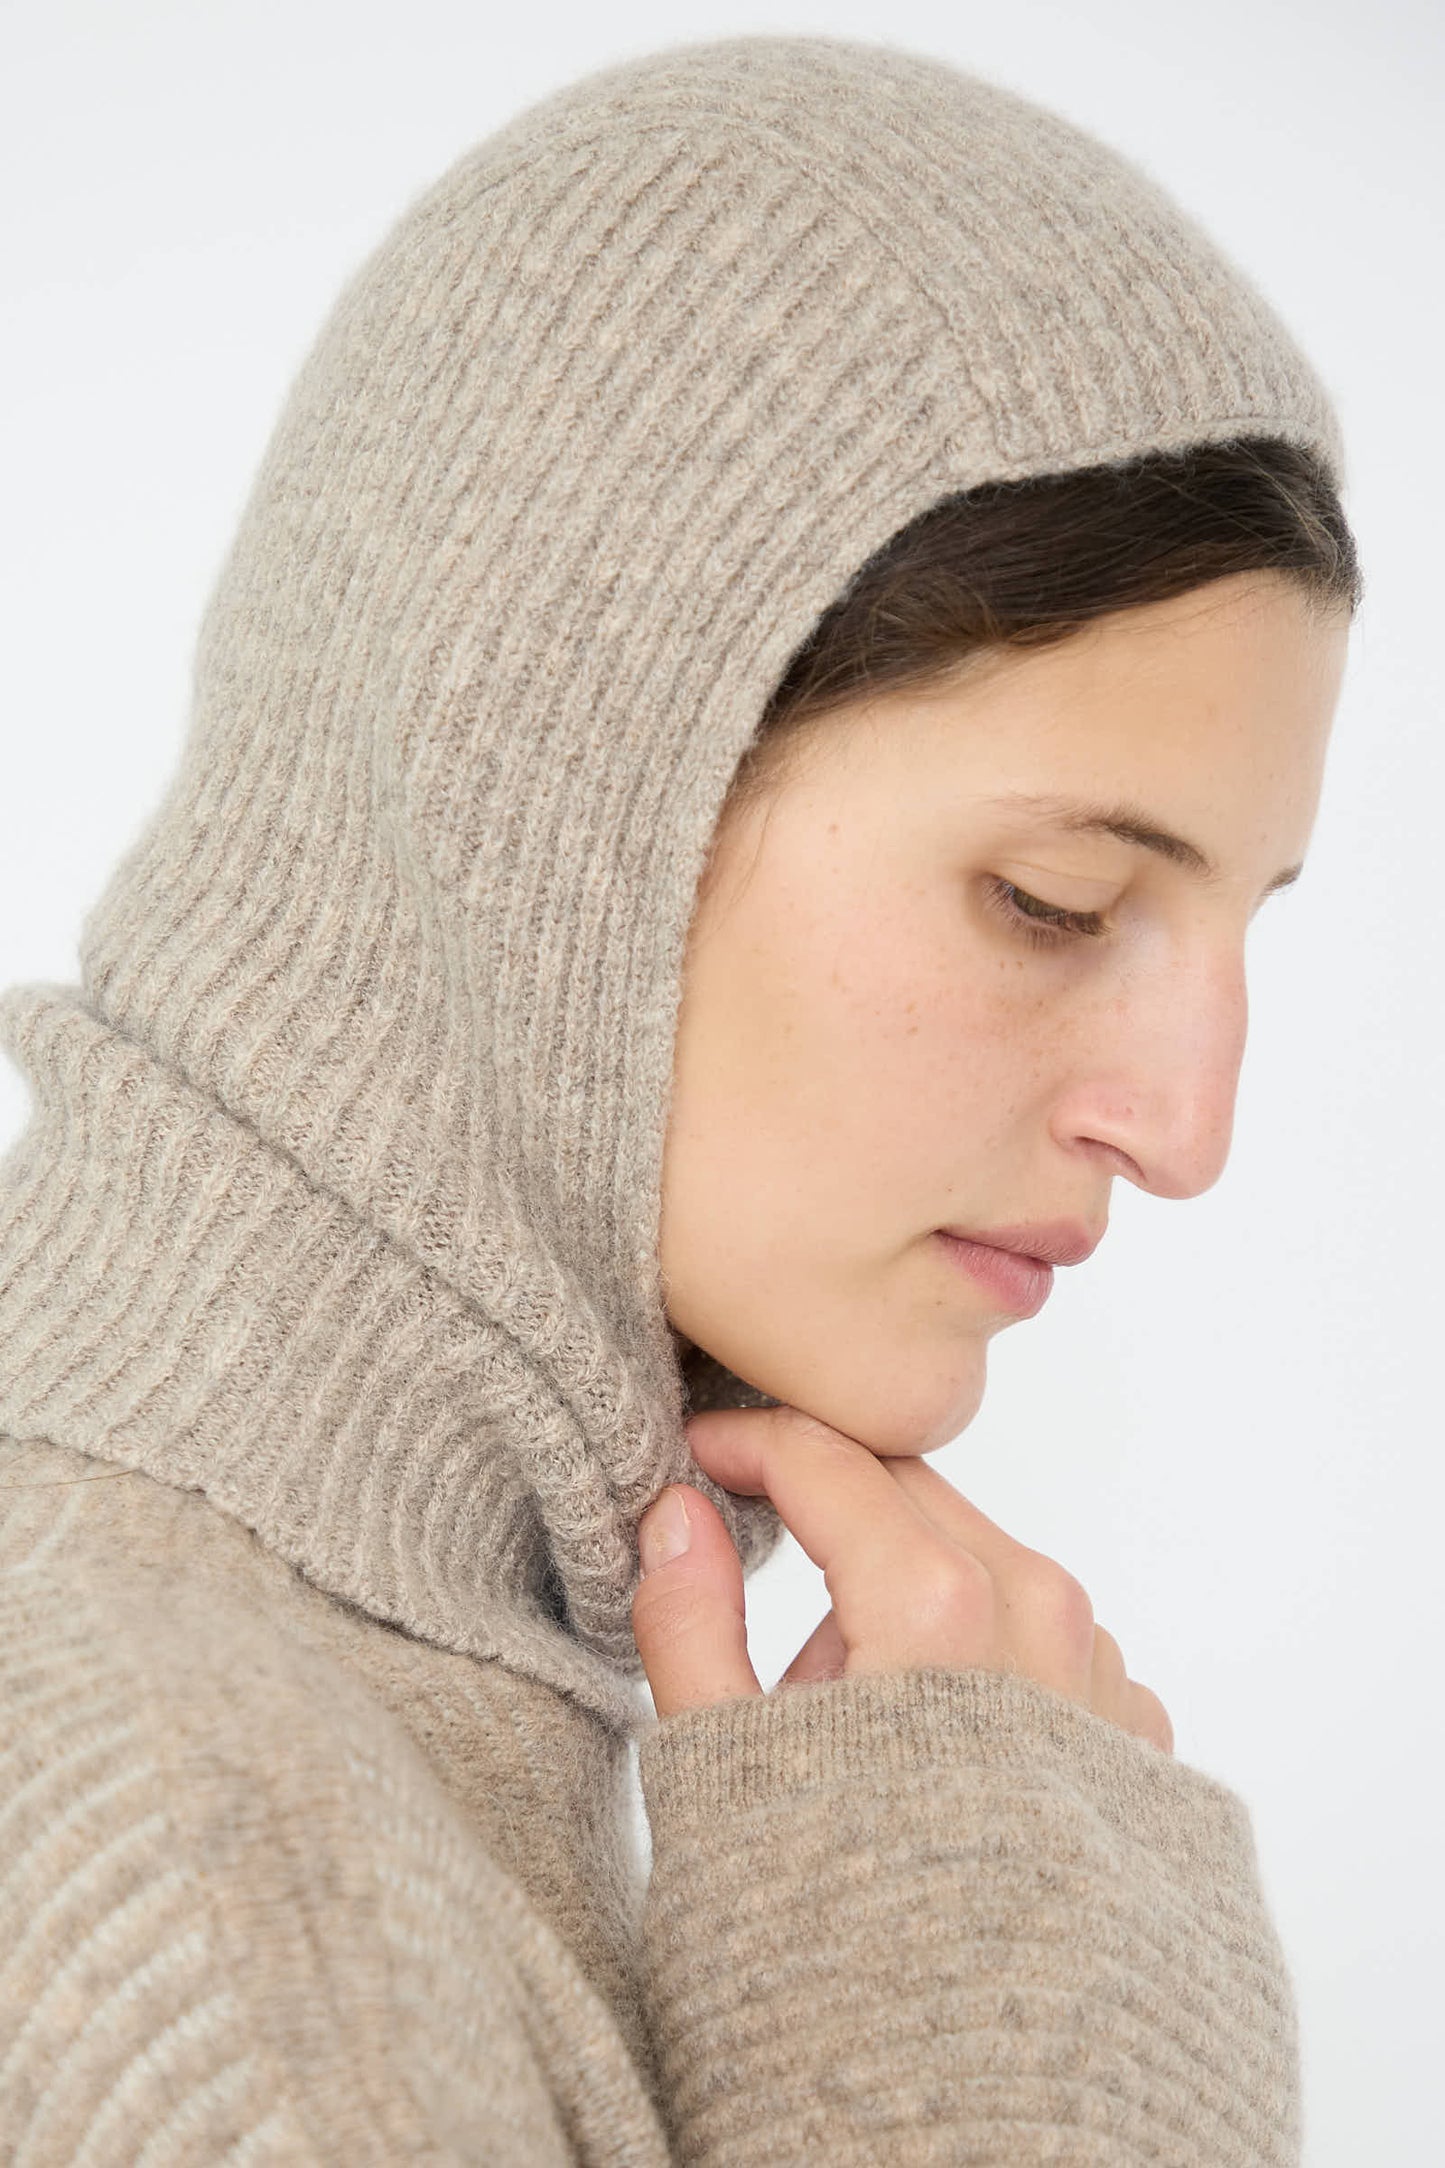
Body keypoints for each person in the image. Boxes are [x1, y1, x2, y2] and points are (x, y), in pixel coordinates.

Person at [0, 31, 1359, 2165]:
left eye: (1245, 917)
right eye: (1054, 897)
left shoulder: (335, 1718)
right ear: (550, 808)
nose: (1187, 1127)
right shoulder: (190, 1886)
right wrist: (997, 2059)